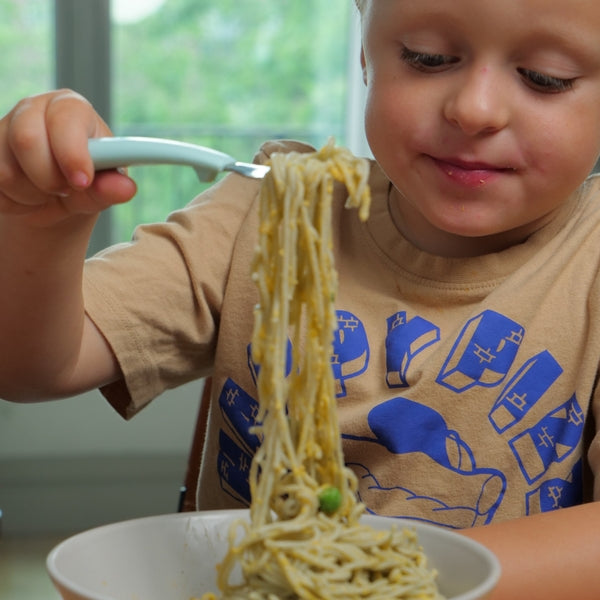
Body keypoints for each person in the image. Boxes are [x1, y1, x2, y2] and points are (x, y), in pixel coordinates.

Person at [1, 0, 600, 597]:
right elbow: (31, 365)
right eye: (428, 58)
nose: (474, 109)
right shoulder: (269, 212)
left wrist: (370, 576)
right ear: (366, 52)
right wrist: (39, 226)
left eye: (546, 78)